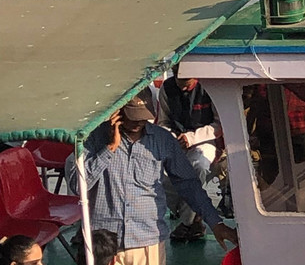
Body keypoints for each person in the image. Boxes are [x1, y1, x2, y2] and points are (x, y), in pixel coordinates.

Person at [65, 88, 238, 264]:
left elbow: (189, 184)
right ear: (117, 111)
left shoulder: (162, 140)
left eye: (143, 117)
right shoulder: (92, 138)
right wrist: (109, 149)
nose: (138, 122)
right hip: (105, 243)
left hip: (147, 241)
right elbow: (77, 185)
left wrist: (215, 223)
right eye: (133, 116)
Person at [157, 75, 225, 241]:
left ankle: (188, 221)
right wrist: (172, 138)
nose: (184, 89)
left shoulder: (208, 87)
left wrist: (192, 138)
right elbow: (163, 122)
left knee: (198, 166)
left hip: (205, 141)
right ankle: (192, 217)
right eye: (181, 85)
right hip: (176, 142)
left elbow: (219, 124)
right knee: (160, 173)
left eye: (187, 85)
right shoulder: (167, 88)